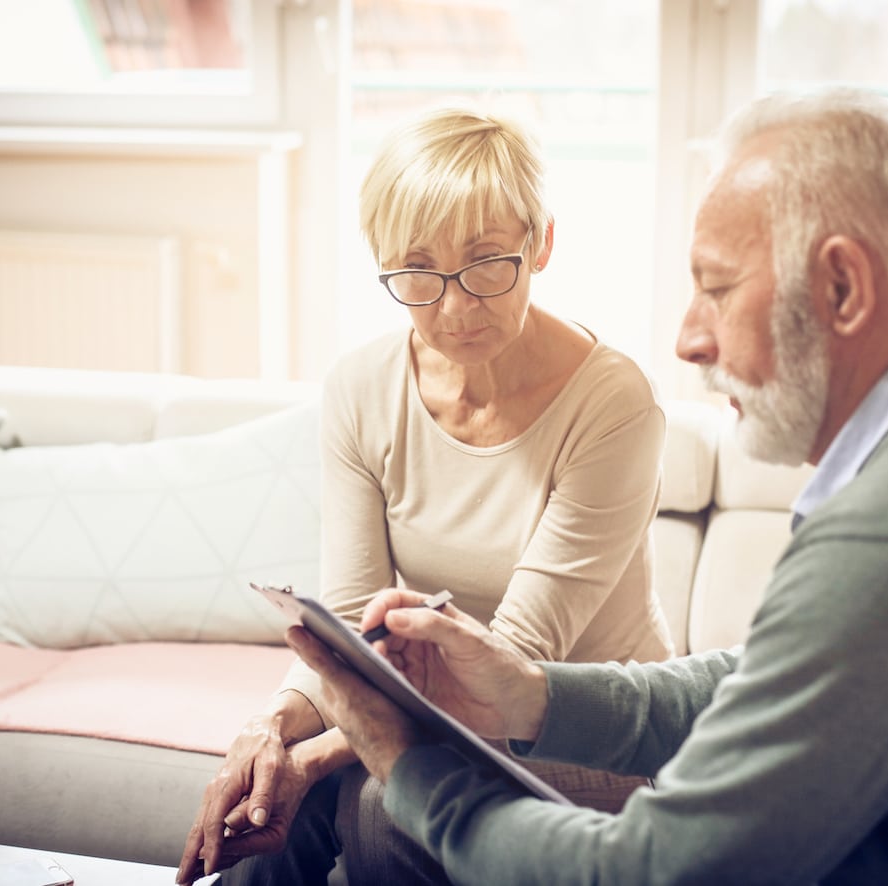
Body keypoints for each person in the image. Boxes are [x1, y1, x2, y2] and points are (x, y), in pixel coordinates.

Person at [284, 88, 888, 884]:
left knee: (377, 819)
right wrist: (532, 695)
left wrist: (413, 770)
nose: (687, 339)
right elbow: (760, 680)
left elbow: (650, 871)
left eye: (715, 287)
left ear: (842, 287)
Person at [177, 106, 675, 884]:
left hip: (580, 736)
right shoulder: (361, 387)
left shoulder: (614, 404)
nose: (454, 307)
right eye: (418, 271)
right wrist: (270, 730)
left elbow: (514, 662)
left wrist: (320, 756)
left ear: (540, 243)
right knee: (267, 794)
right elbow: (346, 632)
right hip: (444, 709)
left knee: (373, 799)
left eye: (485, 263)